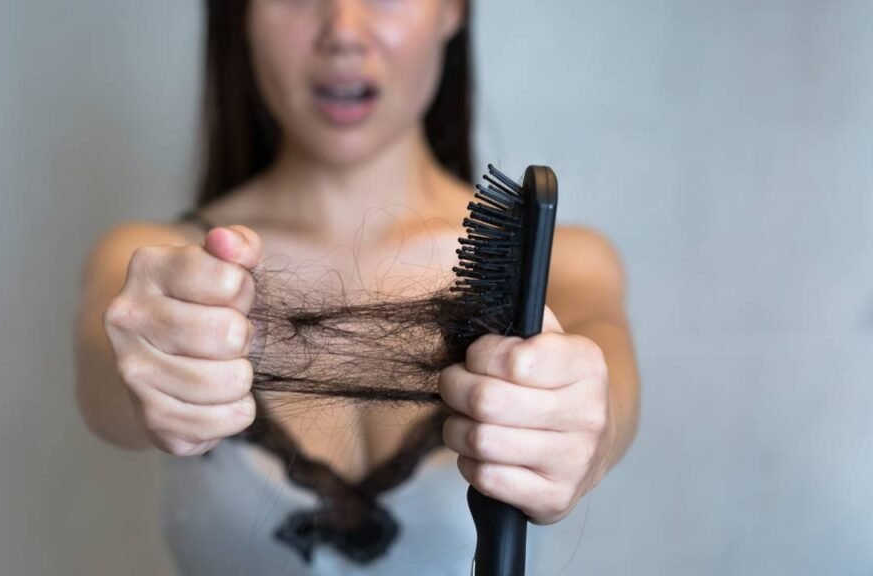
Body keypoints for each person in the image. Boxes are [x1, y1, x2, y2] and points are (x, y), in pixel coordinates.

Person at [73, 1, 640, 573]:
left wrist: (590, 425)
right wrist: (151, 372)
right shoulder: (154, 264)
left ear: (452, 10)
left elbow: (608, 382)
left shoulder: (565, 266)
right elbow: (108, 378)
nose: (343, 32)